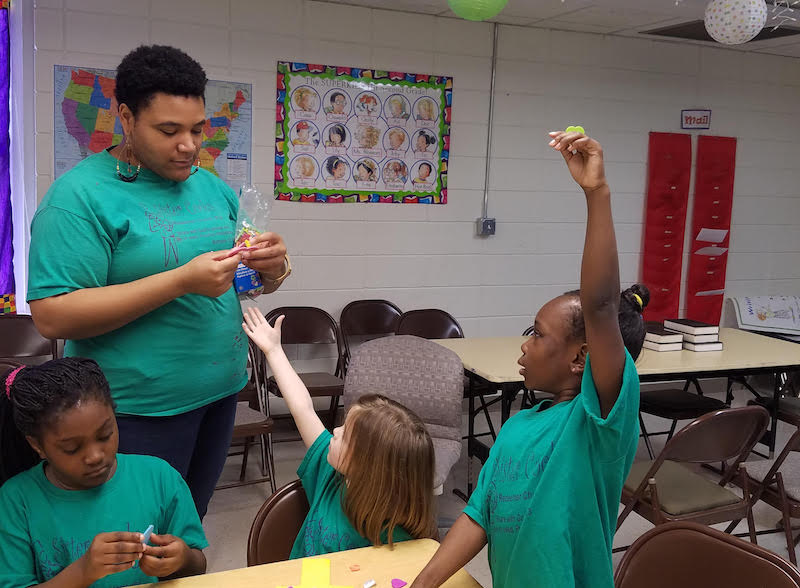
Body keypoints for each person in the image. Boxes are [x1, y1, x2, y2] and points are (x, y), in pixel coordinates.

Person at [26, 45, 290, 521]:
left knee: (185, 528)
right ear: (126, 117)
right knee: (134, 541)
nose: (188, 145)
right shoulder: (79, 197)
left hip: (218, 393)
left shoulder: (211, 188)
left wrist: (271, 270)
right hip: (133, 410)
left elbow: (241, 285)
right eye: (169, 130)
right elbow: (52, 315)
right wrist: (180, 281)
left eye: (196, 129)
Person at [410, 131, 649, 588]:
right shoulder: (518, 426)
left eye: (537, 335)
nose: (524, 345)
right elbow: (479, 515)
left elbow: (600, 306)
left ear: (581, 357)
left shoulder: (598, 423)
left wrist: (596, 193)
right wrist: (423, 583)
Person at [241, 308, 437, 558]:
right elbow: (303, 408)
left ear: (369, 466)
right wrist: (273, 351)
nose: (335, 430)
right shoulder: (331, 474)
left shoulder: (399, 539)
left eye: (345, 435)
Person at [0, 358, 208, 587]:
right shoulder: (15, 502)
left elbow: (197, 566)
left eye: (105, 435)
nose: (95, 456)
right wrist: (82, 571)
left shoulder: (159, 478)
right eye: (72, 448)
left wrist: (182, 559)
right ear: (37, 446)